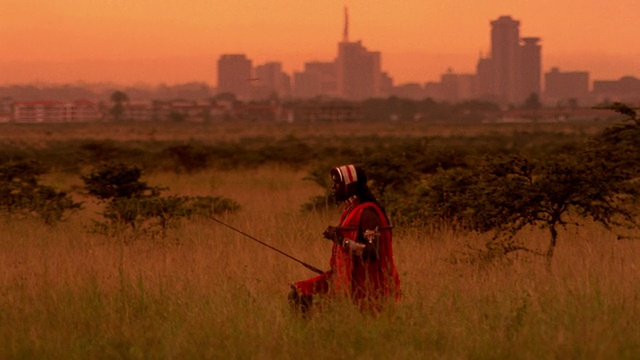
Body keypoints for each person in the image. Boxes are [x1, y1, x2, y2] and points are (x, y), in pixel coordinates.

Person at [289, 164, 401, 315]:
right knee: (298, 293)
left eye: (337, 183)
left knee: (303, 298)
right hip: (345, 277)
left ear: (351, 186)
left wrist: (341, 240)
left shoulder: (367, 213)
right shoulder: (351, 210)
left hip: (366, 283)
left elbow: (373, 252)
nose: (333, 187)